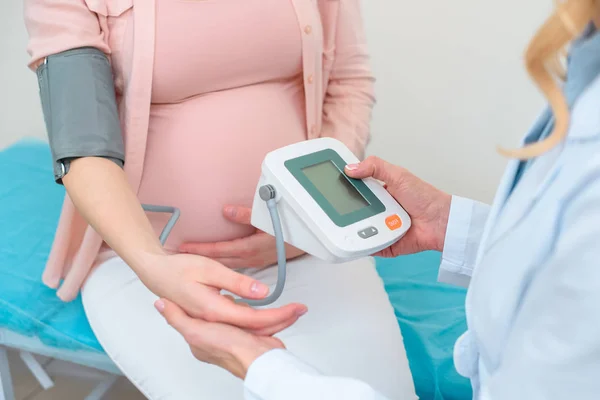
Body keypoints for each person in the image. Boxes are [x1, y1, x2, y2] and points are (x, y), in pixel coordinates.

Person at [155, 0, 600, 398]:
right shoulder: (586, 70)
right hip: (153, 260)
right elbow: (555, 253)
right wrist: (450, 225)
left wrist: (261, 369)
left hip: (307, 264)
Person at [23, 0, 416, 399]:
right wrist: (155, 267)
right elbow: (83, 147)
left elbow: (348, 83)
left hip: (309, 246)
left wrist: (309, 222)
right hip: (148, 263)